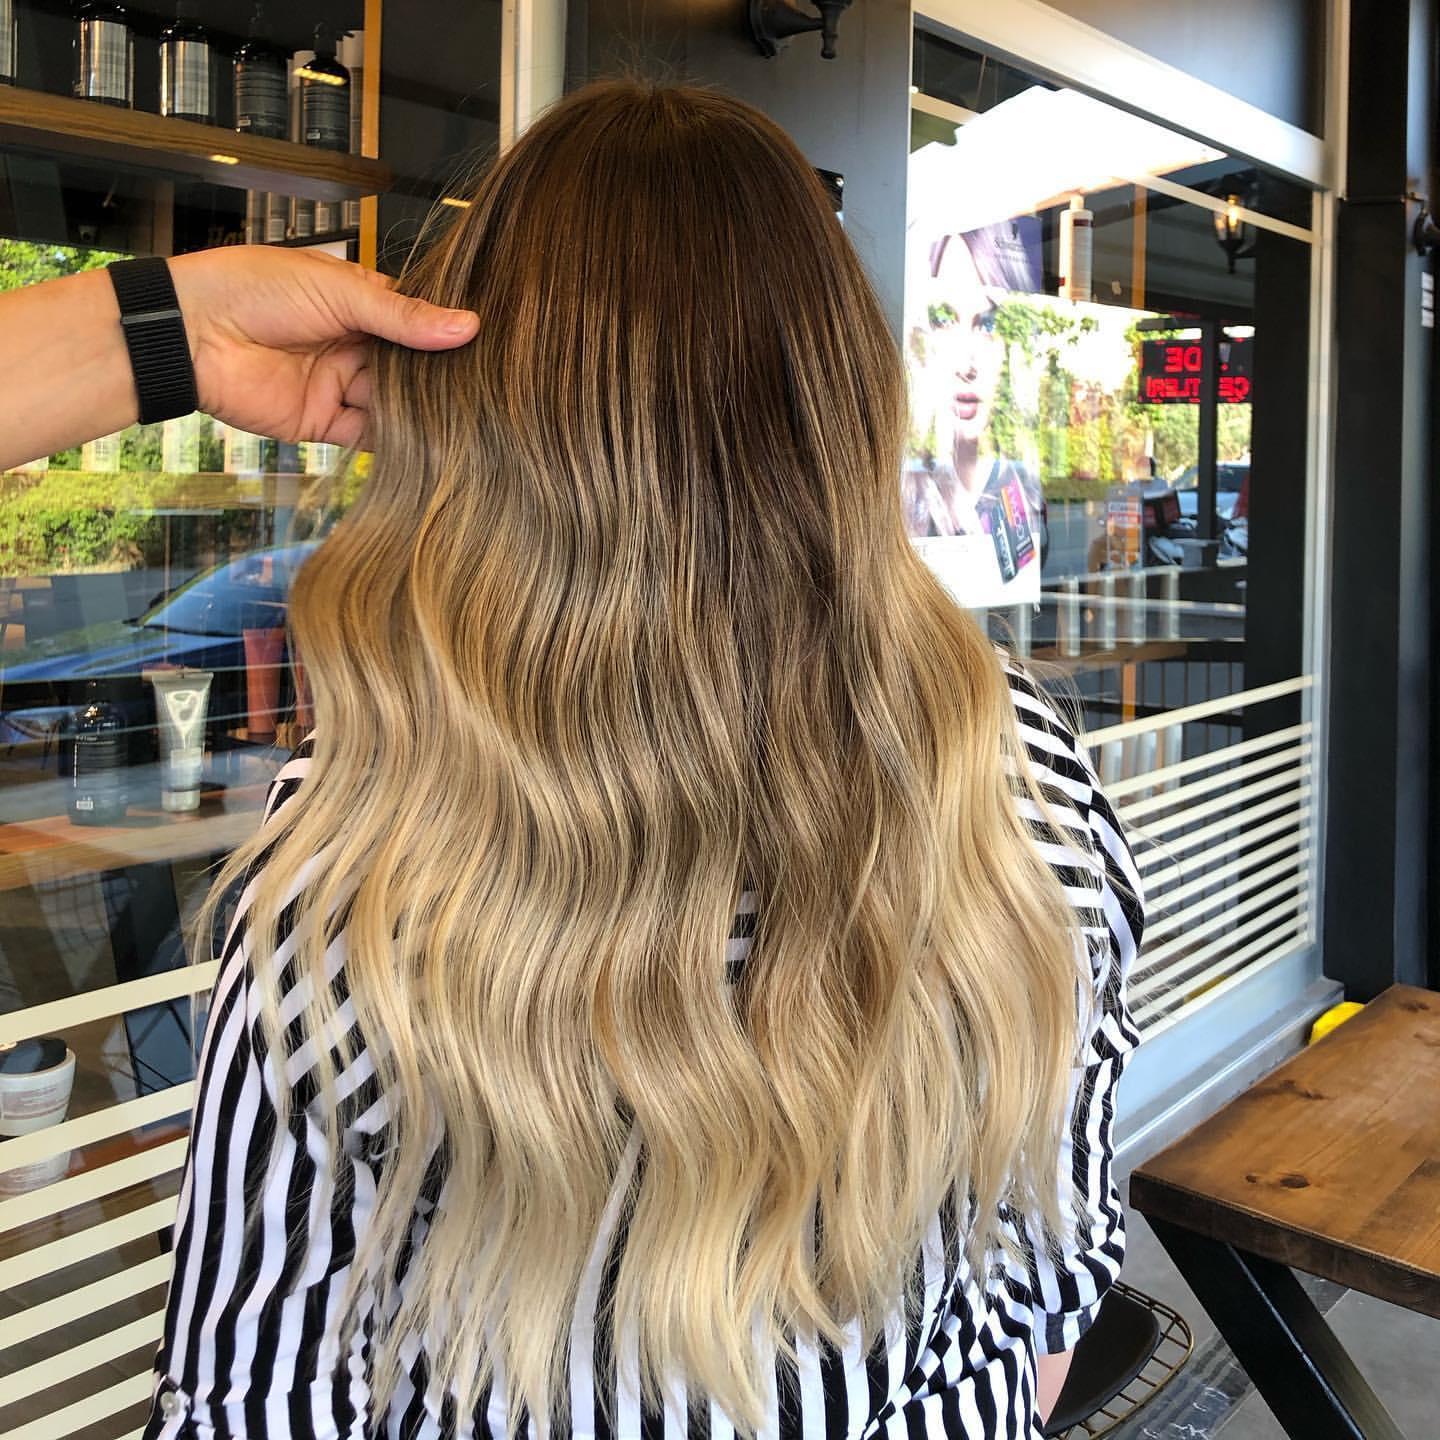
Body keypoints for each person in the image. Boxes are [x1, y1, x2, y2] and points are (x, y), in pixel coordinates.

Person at [4, 81, 1142, 1440]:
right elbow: (1051, 1291)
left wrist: (161, 330)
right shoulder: (1010, 762)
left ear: (469, 415)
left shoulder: (374, 835)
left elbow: (256, 1402)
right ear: (842, 399)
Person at [903, 223, 1048, 605]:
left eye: (988, 324)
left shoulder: (1019, 490)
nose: (966, 364)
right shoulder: (903, 494)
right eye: (943, 320)